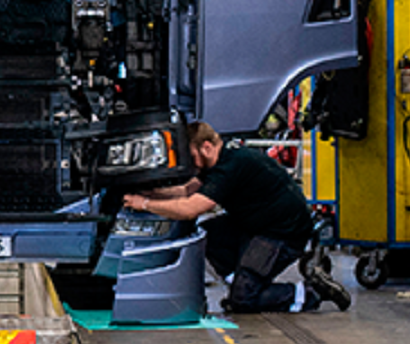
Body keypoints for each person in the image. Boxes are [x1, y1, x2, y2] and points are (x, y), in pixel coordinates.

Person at [122, 121, 350, 313]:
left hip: (281, 234)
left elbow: (190, 208)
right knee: (209, 235)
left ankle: (310, 292)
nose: (190, 164)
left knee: (244, 301)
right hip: (254, 224)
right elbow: (185, 191)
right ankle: (240, 284)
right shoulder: (222, 160)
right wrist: (150, 193)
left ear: (207, 147)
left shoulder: (229, 168)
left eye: (191, 156)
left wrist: (145, 204)